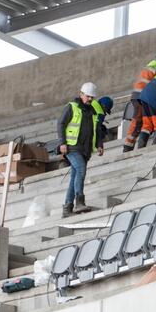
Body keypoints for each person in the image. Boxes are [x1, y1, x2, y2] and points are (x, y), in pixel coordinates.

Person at [57, 82, 105, 217]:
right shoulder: (71, 107)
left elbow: (97, 130)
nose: (90, 99)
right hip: (72, 147)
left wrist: (99, 144)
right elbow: (60, 124)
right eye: (88, 96)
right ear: (81, 94)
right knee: (81, 169)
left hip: (85, 149)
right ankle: (79, 202)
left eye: (92, 97)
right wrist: (62, 143)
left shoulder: (93, 112)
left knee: (74, 177)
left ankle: (67, 208)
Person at [123, 49, 156, 152]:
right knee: (138, 121)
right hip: (142, 95)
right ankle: (128, 148)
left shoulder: (152, 64)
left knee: (143, 121)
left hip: (139, 94)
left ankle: (131, 147)